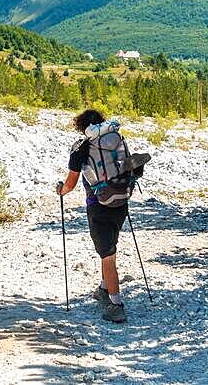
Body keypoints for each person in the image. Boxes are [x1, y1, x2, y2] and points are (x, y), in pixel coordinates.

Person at [57, 109, 143, 324]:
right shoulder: (117, 141)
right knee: (109, 246)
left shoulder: (82, 147)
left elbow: (71, 183)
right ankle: (104, 289)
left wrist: (61, 191)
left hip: (99, 205)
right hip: (122, 202)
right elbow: (133, 169)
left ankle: (116, 305)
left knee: (107, 255)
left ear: (83, 127)